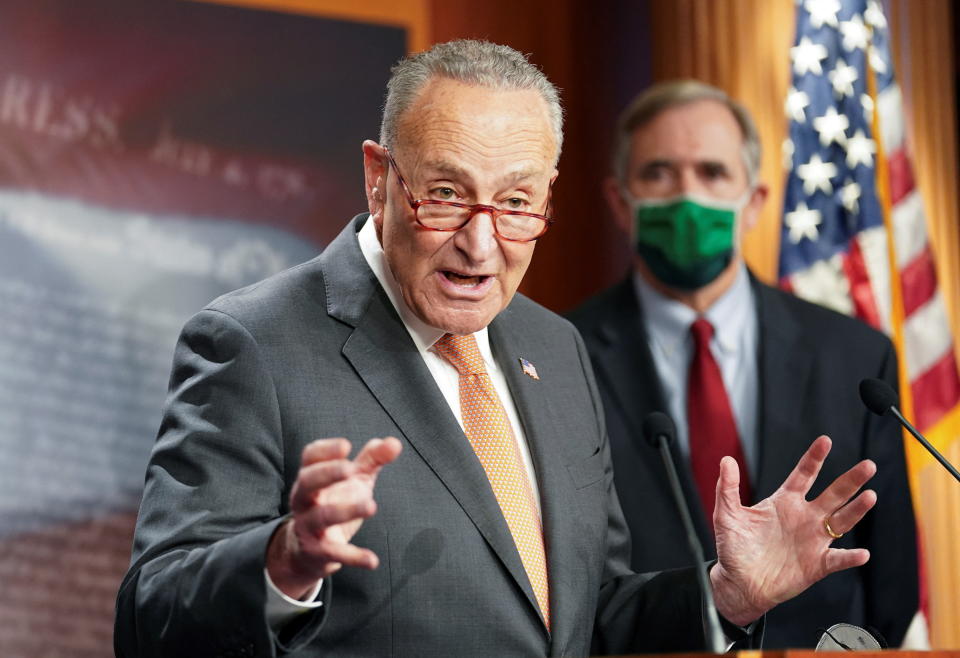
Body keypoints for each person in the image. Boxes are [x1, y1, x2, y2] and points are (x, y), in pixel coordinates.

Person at [116, 44, 880, 657]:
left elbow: (589, 618)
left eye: (516, 203)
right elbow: (150, 618)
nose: (481, 245)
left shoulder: (554, 344)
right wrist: (282, 562)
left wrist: (726, 596)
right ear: (379, 179)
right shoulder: (254, 343)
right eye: (446, 194)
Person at [568, 80, 918, 647]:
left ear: (753, 201)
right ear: (618, 201)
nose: (687, 195)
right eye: (658, 173)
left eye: (712, 173)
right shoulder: (560, 354)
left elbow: (890, 583)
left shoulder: (856, 357)